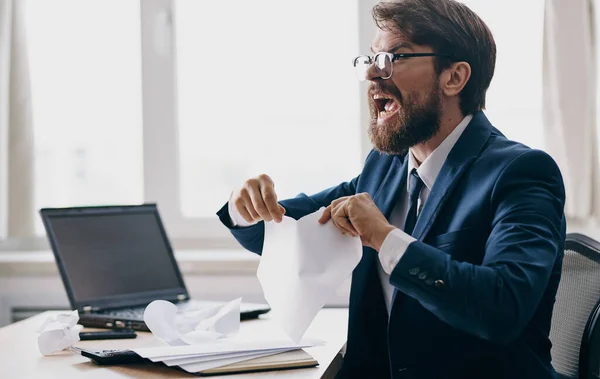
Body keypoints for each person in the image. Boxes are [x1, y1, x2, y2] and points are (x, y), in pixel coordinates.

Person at [217, 0, 566, 378]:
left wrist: (385, 238)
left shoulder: (522, 173)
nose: (371, 73)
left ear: (454, 78)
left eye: (392, 57)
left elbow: (503, 307)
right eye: (369, 59)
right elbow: (277, 234)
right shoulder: (385, 166)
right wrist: (246, 207)